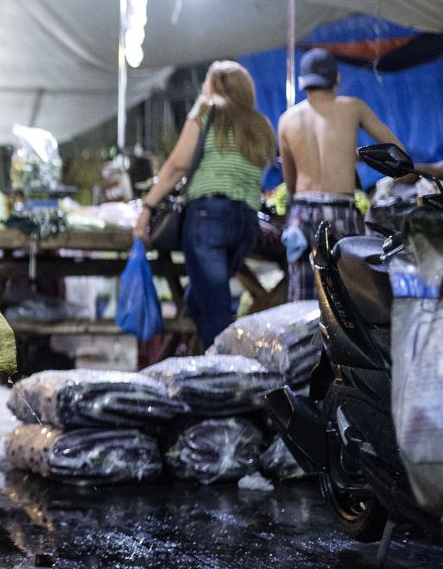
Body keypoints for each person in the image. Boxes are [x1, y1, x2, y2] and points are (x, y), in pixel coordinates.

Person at [134, 61, 276, 349]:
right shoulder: (259, 123)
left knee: (215, 316)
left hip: (208, 218)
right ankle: (193, 365)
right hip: (246, 224)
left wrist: (147, 207)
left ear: (213, 85)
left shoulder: (206, 109)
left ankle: (224, 382)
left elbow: (177, 164)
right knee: (199, 301)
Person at [278, 48, 410, 302]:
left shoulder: (286, 120)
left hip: (302, 216)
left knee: (303, 303)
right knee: (348, 298)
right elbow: (400, 158)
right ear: (336, 79)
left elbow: (291, 184)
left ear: (303, 83)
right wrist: (356, 154)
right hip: (342, 213)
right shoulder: (353, 107)